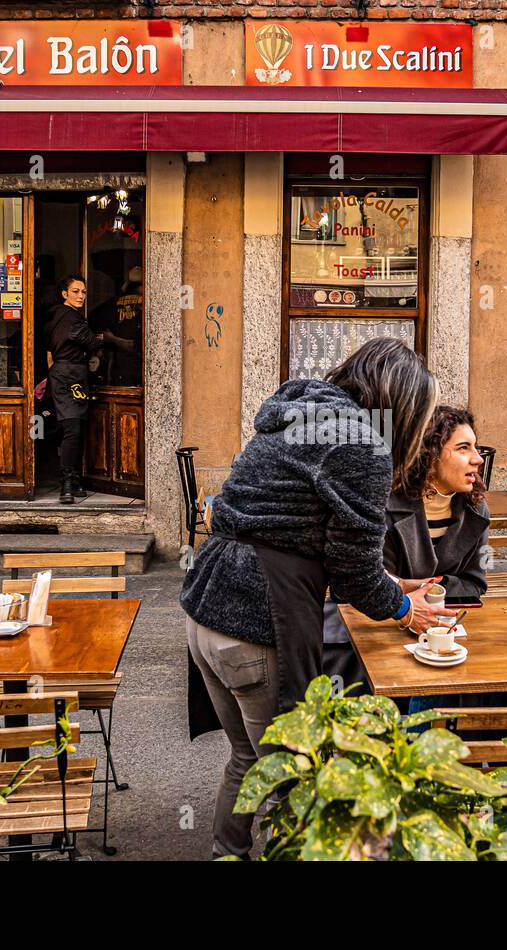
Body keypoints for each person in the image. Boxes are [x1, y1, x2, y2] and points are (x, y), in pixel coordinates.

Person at [181, 338, 444, 859]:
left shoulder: (303, 415)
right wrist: (405, 611)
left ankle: (225, 854)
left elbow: (304, 532)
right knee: (293, 778)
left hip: (208, 611)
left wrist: (394, 586)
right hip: (257, 619)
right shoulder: (362, 444)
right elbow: (352, 571)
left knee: (247, 759)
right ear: (401, 407)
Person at [321, 405, 489, 694]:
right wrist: (411, 599)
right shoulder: (384, 504)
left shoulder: (475, 508)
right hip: (379, 630)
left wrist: (428, 592)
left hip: (444, 631)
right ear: (430, 455)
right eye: (463, 448)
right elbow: (365, 583)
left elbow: (475, 584)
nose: (477, 459)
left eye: (476, 448)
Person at [45, 274, 123, 504]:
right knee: (72, 428)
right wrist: (107, 338)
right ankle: (67, 483)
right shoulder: (70, 318)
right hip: (69, 377)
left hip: (68, 375)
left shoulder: (59, 317)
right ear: (64, 294)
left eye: (84, 291)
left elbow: (51, 351)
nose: (81, 295)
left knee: (75, 427)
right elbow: (91, 342)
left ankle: (75, 480)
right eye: (76, 291)